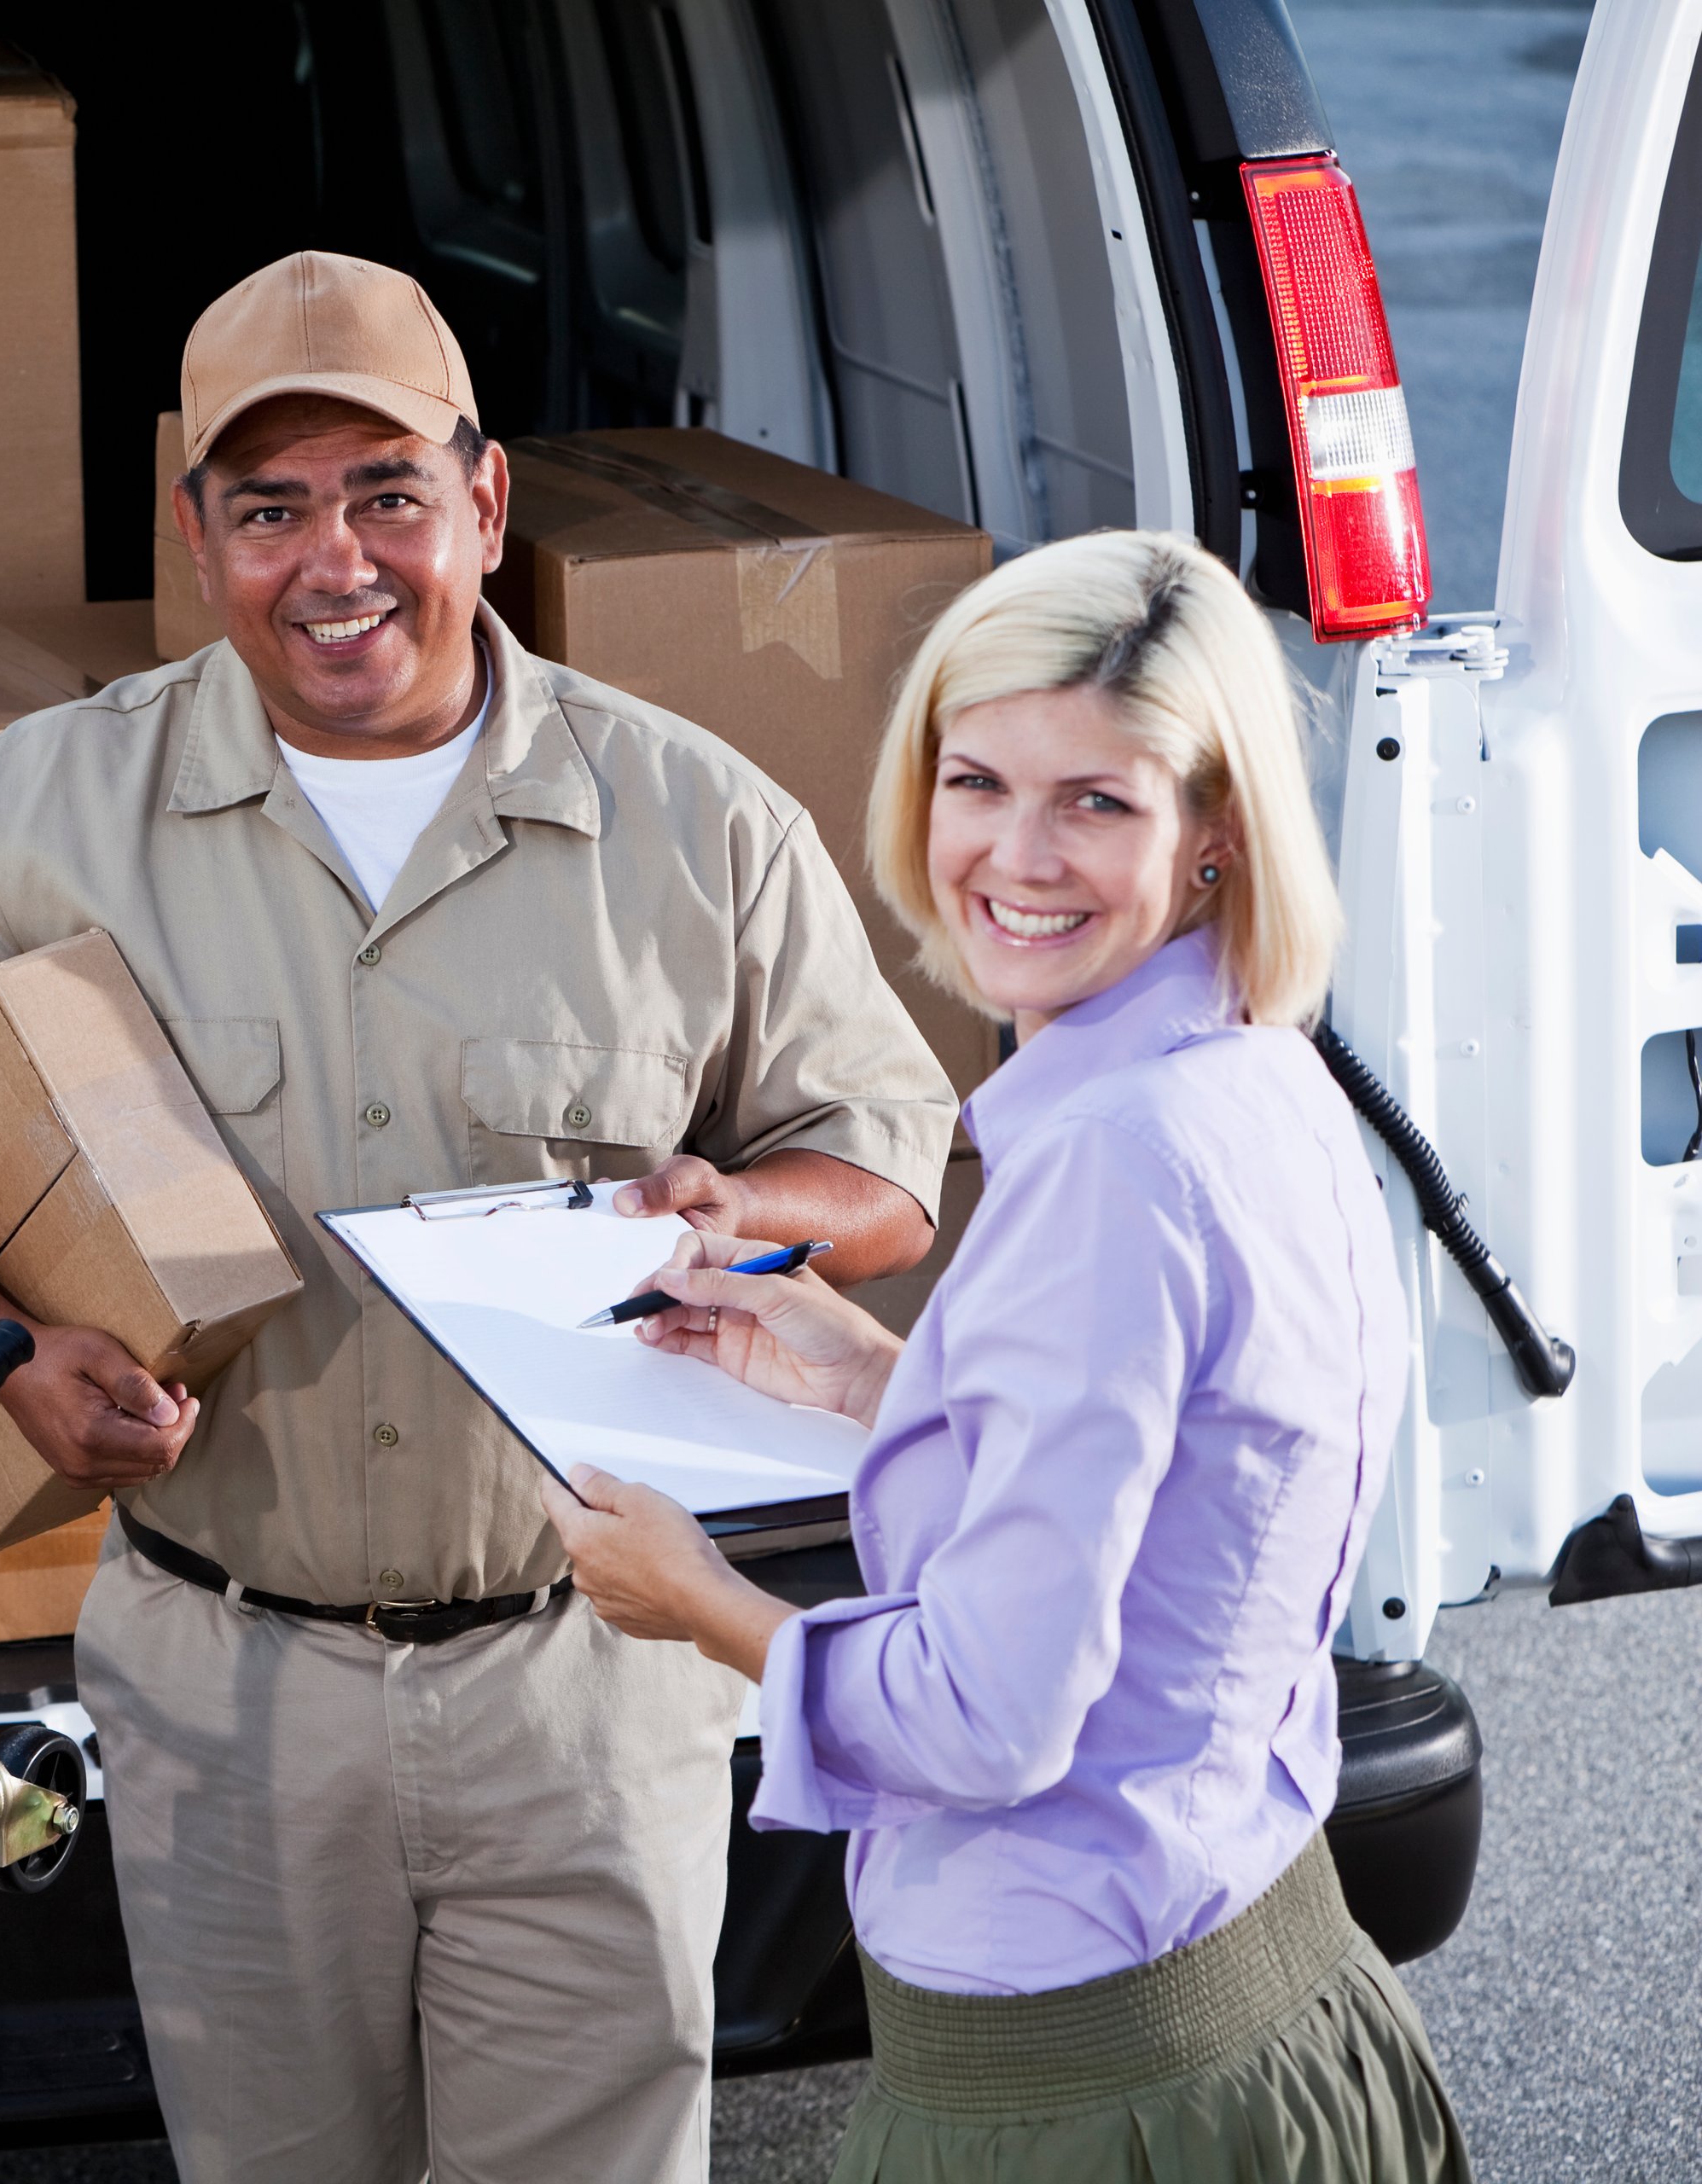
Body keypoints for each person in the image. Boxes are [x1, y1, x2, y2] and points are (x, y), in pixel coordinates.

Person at [0, 249, 959, 2183]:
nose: (335, 561)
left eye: (386, 496)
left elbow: (885, 1160)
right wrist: (1, 1349)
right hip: (227, 1690)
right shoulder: (46, 804)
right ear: (199, 538)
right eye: (270, 509)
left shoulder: (695, 818)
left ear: (486, 502)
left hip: (586, 1676)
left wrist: (747, 1202)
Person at [539, 530, 1471, 2183]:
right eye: (978, 780)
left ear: (1213, 832)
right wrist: (862, 1370)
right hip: (1265, 1973)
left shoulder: (1107, 1165)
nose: (1014, 853)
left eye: (1096, 800)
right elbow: (1179, 1476)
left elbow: (990, 1712)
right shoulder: (1253, 1073)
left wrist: (703, 1603)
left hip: (1082, 2082)